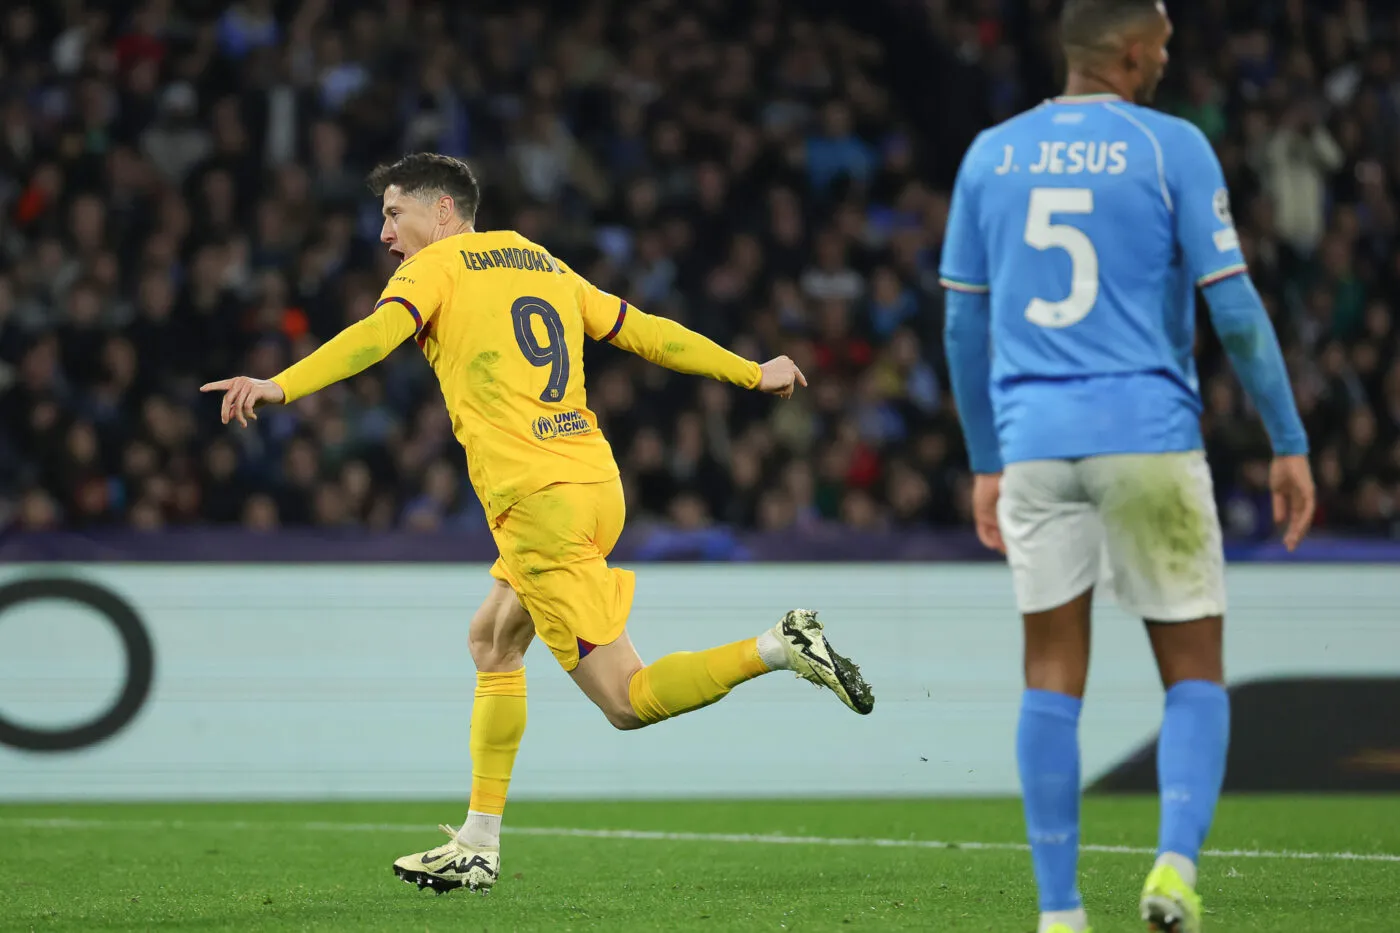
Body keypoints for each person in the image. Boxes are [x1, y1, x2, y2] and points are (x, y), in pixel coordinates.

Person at [202, 152, 874, 894]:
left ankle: (780, 644)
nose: (385, 231)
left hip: (538, 504)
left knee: (628, 699)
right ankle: (477, 841)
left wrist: (279, 384)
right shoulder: (541, 261)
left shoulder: (436, 267)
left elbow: (373, 337)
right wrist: (751, 369)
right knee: (492, 639)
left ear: (444, 212)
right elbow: (645, 329)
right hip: (593, 482)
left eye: (396, 213)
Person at [938, 3, 1314, 932]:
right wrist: (1289, 439)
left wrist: (986, 460)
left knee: (1050, 674)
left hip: (1032, 444)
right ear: (1134, 53)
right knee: (1192, 671)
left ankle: (1061, 914)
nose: (1168, 61)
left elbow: (960, 324)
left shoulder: (990, 154)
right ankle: (1174, 868)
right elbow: (1232, 311)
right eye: (1165, 49)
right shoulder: (1169, 147)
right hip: (1146, 439)